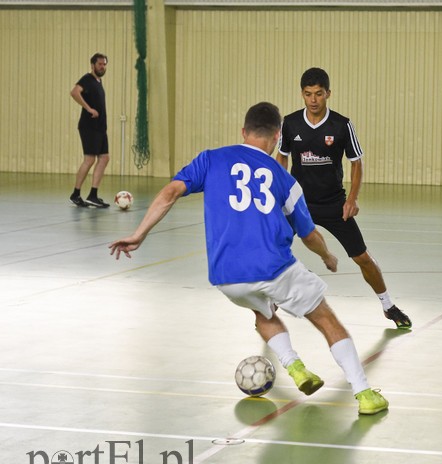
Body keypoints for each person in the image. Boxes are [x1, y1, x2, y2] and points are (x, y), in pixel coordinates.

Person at [108, 102, 388, 415]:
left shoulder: (211, 159)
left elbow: (170, 192)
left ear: (243, 131)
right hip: (273, 267)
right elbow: (309, 234)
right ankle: (364, 394)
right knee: (325, 318)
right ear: (277, 135)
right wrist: (327, 256)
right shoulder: (284, 179)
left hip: (227, 277)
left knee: (262, 312)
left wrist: (139, 233)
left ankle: (295, 366)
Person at [277, 68, 412, 330]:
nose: (313, 99)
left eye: (318, 94)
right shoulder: (290, 123)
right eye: (308, 94)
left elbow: (356, 163)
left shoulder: (341, 125)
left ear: (328, 93)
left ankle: (388, 305)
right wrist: (282, 190)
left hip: (333, 204)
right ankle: (266, 306)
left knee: (362, 257)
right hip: (298, 204)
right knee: (270, 249)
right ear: (302, 95)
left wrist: (352, 199)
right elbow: (282, 155)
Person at [69, 53, 111, 208]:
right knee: (90, 159)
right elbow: (74, 92)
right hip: (89, 127)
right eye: (100, 64)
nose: (103, 67)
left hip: (100, 128)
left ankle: (93, 195)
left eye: (104, 64)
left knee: (104, 158)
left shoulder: (98, 82)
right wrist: (88, 108)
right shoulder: (87, 79)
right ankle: (76, 194)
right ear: (92, 65)